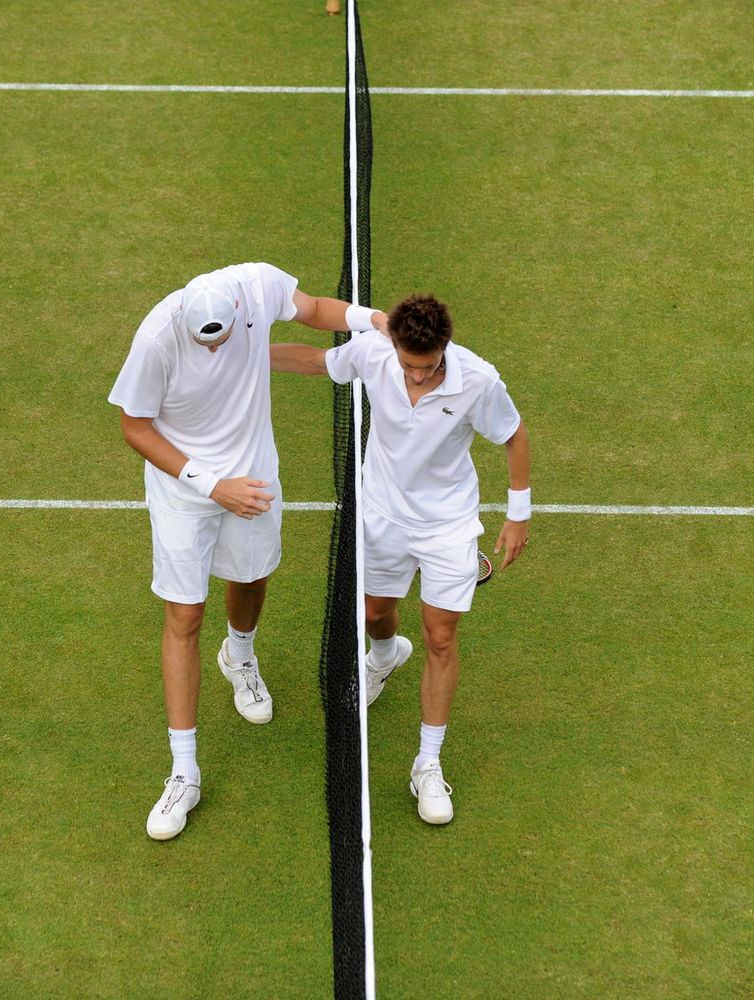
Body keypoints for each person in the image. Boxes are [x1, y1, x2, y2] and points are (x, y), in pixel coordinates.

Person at [109, 262, 386, 841]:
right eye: (202, 342)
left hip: (253, 477)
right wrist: (213, 486)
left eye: (221, 339)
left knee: (253, 579)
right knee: (184, 614)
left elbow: (315, 309)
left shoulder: (256, 285)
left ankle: (239, 656)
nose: (213, 350)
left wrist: (373, 319)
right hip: (184, 489)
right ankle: (184, 772)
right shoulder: (156, 338)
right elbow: (135, 427)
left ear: (238, 312)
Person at [271, 293, 531, 825]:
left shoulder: (479, 379)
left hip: (447, 526)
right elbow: (317, 362)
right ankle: (386, 656)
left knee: (441, 637)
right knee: (375, 614)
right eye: (409, 366)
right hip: (383, 516)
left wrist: (518, 515)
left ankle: (427, 764)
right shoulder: (372, 352)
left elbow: (513, 434)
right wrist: (246, 356)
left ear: (445, 347)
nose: (417, 377)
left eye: (428, 367)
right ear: (392, 344)